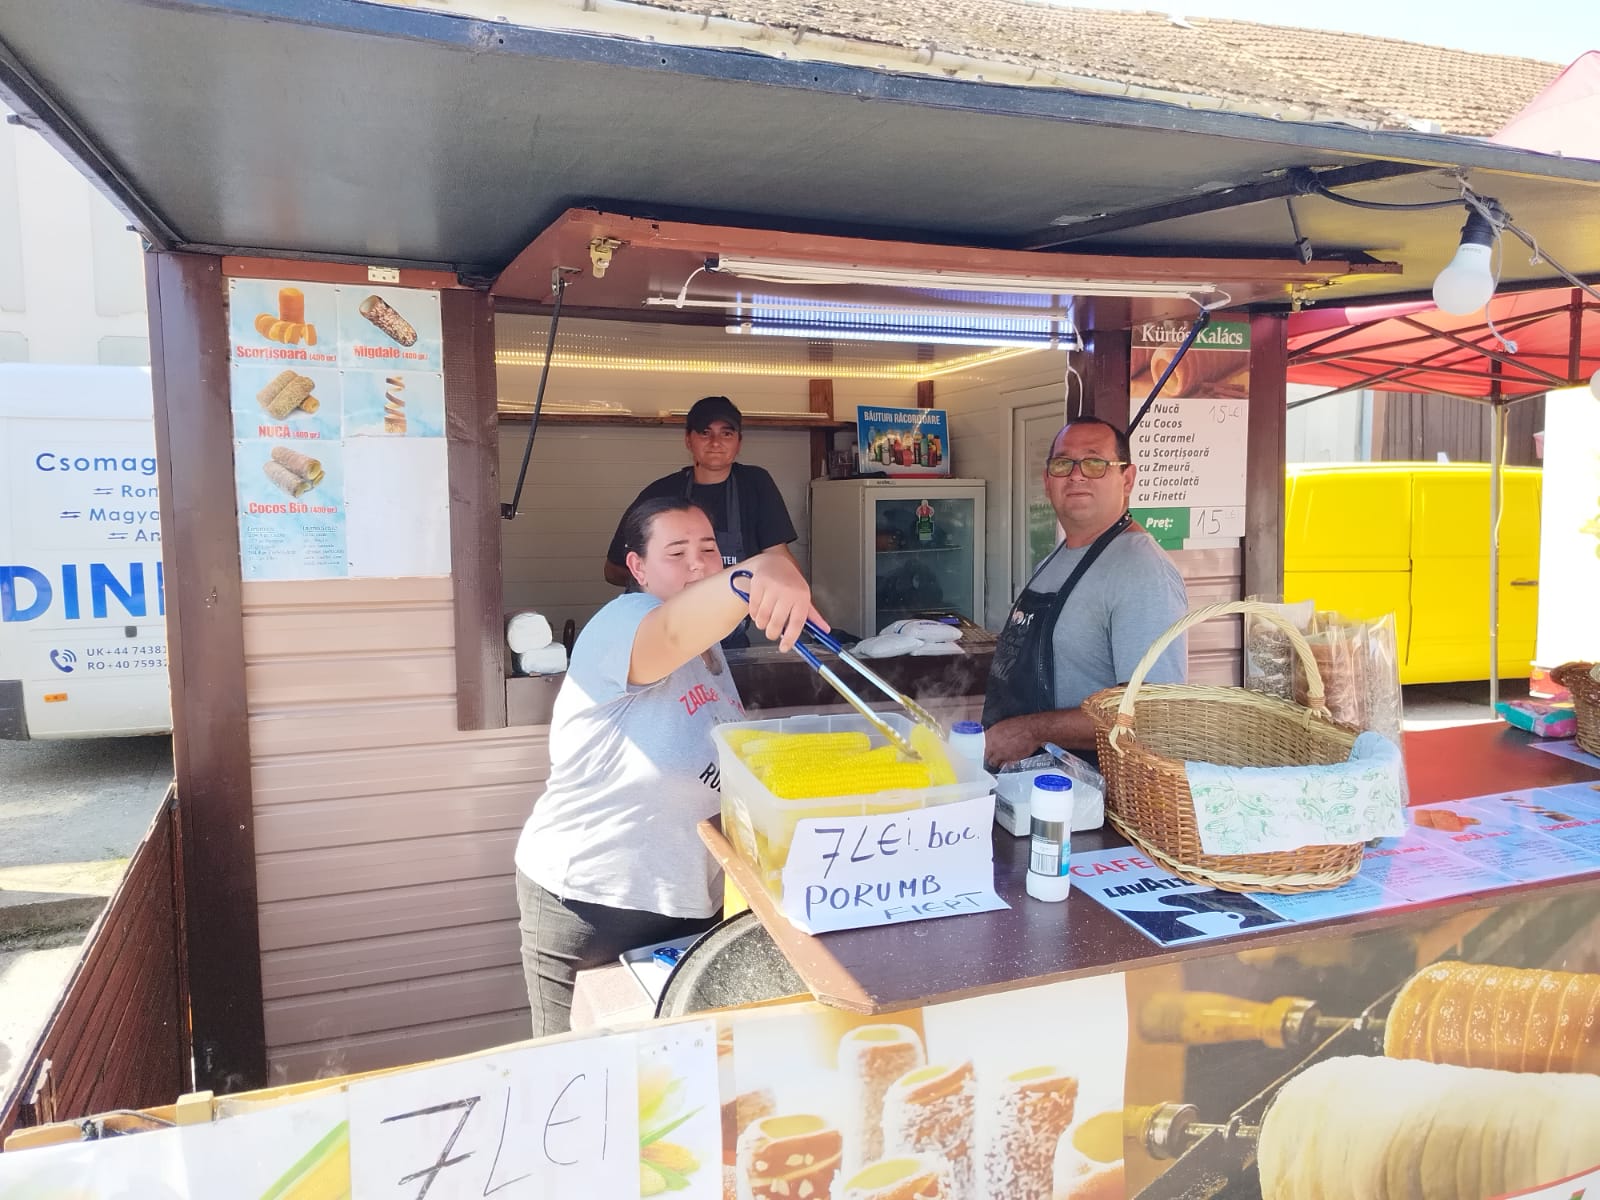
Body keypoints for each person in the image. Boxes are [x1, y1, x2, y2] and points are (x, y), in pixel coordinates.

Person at [517, 495, 823, 1036]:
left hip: (688, 897)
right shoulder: (624, 622)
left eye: (709, 550)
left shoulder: (713, 651)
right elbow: (671, 633)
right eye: (676, 553)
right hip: (592, 902)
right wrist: (765, 568)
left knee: (676, 1069)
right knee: (588, 1075)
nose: (698, 565)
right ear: (637, 568)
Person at [982, 417, 1188, 767]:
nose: (1077, 475)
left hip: (1093, 790)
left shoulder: (1142, 571)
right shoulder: (1052, 561)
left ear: (1127, 479)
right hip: (1026, 779)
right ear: (1047, 481)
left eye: (1095, 463)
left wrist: (1030, 731)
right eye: (1063, 464)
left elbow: (1152, 713)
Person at [603, 396, 798, 649]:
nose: (715, 442)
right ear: (688, 440)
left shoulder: (755, 484)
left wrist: (803, 615)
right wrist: (665, 585)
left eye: (726, 433)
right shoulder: (659, 494)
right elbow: (612, 570)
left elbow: (779, 560)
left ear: (739, 442)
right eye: (705, 433)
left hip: (730, 637)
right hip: (667, 634)